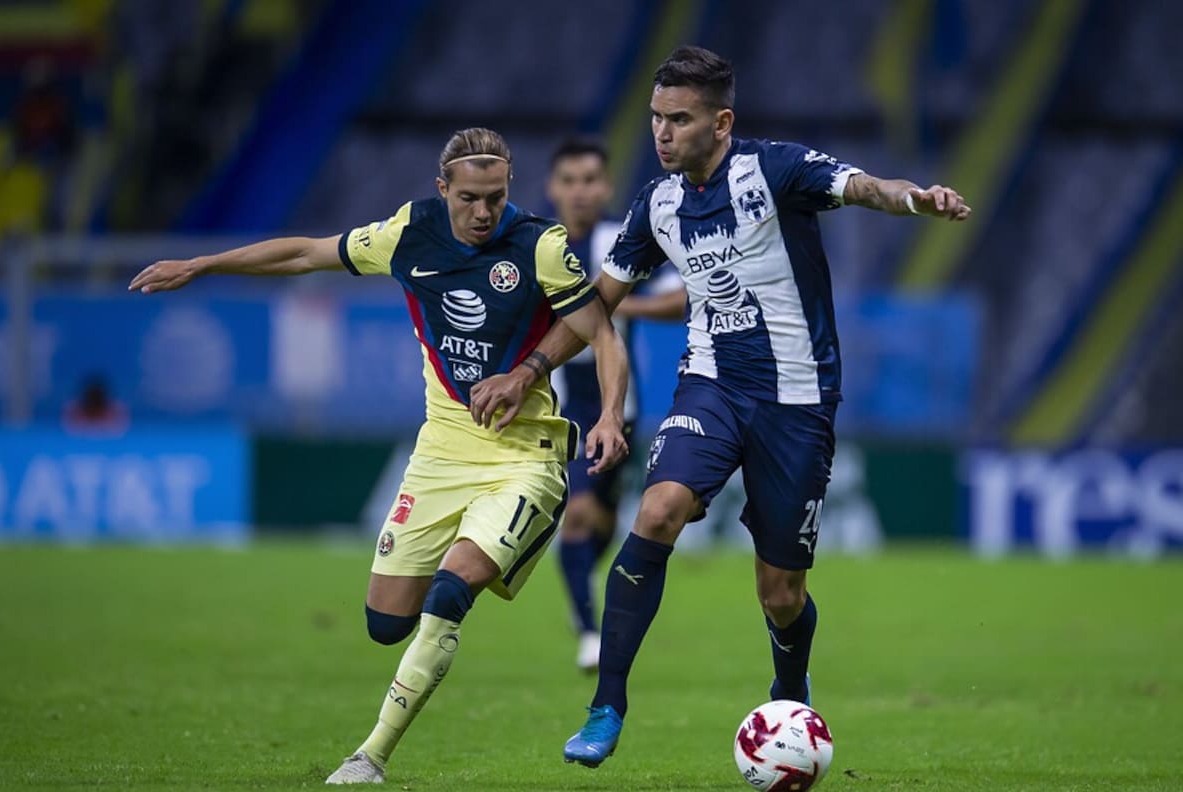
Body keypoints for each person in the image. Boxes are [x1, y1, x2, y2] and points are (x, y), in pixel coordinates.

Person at [467, 46, 971, 770]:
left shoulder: (776, 170)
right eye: (655, 118)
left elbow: (866, 186)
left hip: (797, 402)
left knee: (782, 593)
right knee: (658, 509)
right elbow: (597, 306)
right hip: (710, 387)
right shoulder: (656, 204)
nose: (662, 133)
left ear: (721, 122)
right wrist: (529, 370)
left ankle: (790, 687)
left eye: (679, 119)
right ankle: (606, 705)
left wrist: (916, 197)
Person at [128, 127, 631, 784]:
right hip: (441, 453)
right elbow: (306, 254)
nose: (484, 213)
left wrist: (609, 413)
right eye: (470, 199)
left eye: (496, 197)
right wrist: (202, 265)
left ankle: (370, 756)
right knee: (386, 622)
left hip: (524, 458)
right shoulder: (406, 234)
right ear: (442, 189)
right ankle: (414, 656)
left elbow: (603, 333)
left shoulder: (540, 243)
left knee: (453, 590)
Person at [544, 138, 686, 672]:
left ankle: (580, 596)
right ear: (553, 188)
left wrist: (612, 306)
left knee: (598, 524)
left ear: (605, 187)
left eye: (590, 181)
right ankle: (588, 631)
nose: (580, 192)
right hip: (554, 409)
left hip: (612, 405)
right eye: (570, 180)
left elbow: (684, 294)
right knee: (577, 517)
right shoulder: (541, 245)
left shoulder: (620, 241)